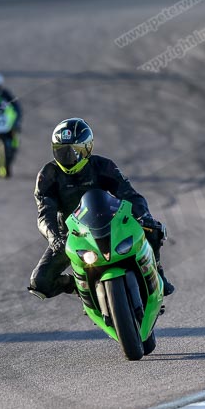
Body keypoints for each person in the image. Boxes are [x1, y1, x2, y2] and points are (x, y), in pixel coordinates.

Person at [28, 118, 175, 299]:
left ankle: (158, 273)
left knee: (152, 230)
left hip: (110, 225)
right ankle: (83, 286)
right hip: (72, 236)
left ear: (87, 148)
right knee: (40, 282)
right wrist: (54, 238)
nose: (67, 158)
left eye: (72, 152)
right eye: (61, 152)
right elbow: (44, 214)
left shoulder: (103, 166)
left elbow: (130, 194)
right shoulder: (47, 175)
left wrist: (144, 216)